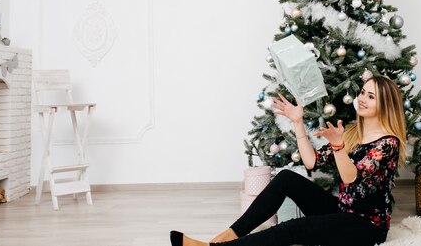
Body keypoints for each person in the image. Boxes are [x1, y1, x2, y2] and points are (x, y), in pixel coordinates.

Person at [170, 73, 406, 246]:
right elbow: (311, 161)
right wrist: (297, 122)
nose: (362, 98)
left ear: (385, 104)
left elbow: (350, 177)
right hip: (343, 210)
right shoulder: (354, 132)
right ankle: (228, 236)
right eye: (363, 92)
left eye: (371, 96)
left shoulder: (388, 143)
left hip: (367, 227)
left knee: (294, 228)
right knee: (286, 178)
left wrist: (338, 146)